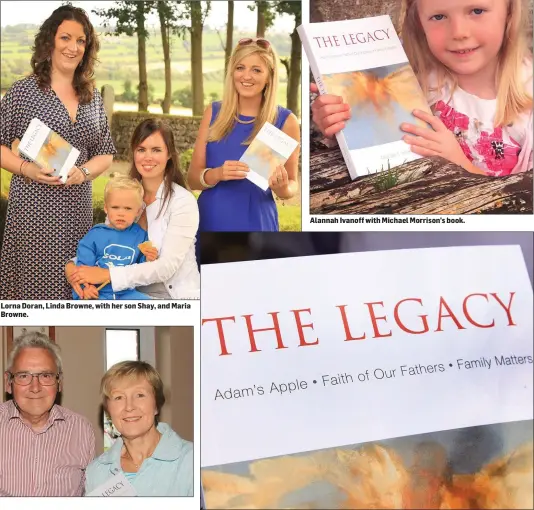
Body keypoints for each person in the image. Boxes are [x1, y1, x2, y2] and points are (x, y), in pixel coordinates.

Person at [311, 0, 533, 176]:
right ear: (419, 22)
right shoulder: (412, 77)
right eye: (438, 16)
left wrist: (462, 166)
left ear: (510, 12)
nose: (459, 32)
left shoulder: (528, 101)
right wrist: (337, 123)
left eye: (476, 10)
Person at [0, 5, 116, 299]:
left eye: (80, 41)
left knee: (77, 286)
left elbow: (105, 153)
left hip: (78, 212)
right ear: (50, 40)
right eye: (66, 38)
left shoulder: (92, 97)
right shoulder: (24, 91)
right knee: (34, 290)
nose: (73, 47)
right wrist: (27, 169)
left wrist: (84, 172)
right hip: (33, 212)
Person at [67, 119, 200, 299]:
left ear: (169, 155)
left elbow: (166, 267)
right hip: (123, 295)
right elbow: (106, 244)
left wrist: (108, 275)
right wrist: (74, 269)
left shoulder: (182, 202)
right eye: (141, 149)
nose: (148, 157)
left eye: (156, 150)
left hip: (170, 297)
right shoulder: (123, 194)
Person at [188, 38, 301, 231]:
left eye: (256, 70)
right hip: (210, 220)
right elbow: (192, 179)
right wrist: (216, 174)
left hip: (256, 223)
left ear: (269, 77)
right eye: (240, 68)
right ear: (232, 72)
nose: (246, 76)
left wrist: (281, 188)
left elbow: (292, 184)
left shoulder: (285, 121)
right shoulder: (213, 113)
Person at [0, 332, 95, 496]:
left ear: (59, 383)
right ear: (8, 383)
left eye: (45, 376)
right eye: (23, 376)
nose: (35, 387)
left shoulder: (81, 429)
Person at [85, 361, 193, 496]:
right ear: (108, 411)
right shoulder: (96, 472)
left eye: (140, 395)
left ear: (156, 405)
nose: (129, 407)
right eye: (118, 397)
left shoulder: (191, 461)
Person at [73, 176, 158, 300]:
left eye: (128, 208)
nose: (121, 213)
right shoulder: (95, 235)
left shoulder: (140, 235)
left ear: (138, 211)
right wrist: (86, 287)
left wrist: (149, 258)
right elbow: (83, 267)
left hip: (126, 293)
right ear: (106, 208)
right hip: (98, 291)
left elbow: (140, 268)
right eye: (115, 207)